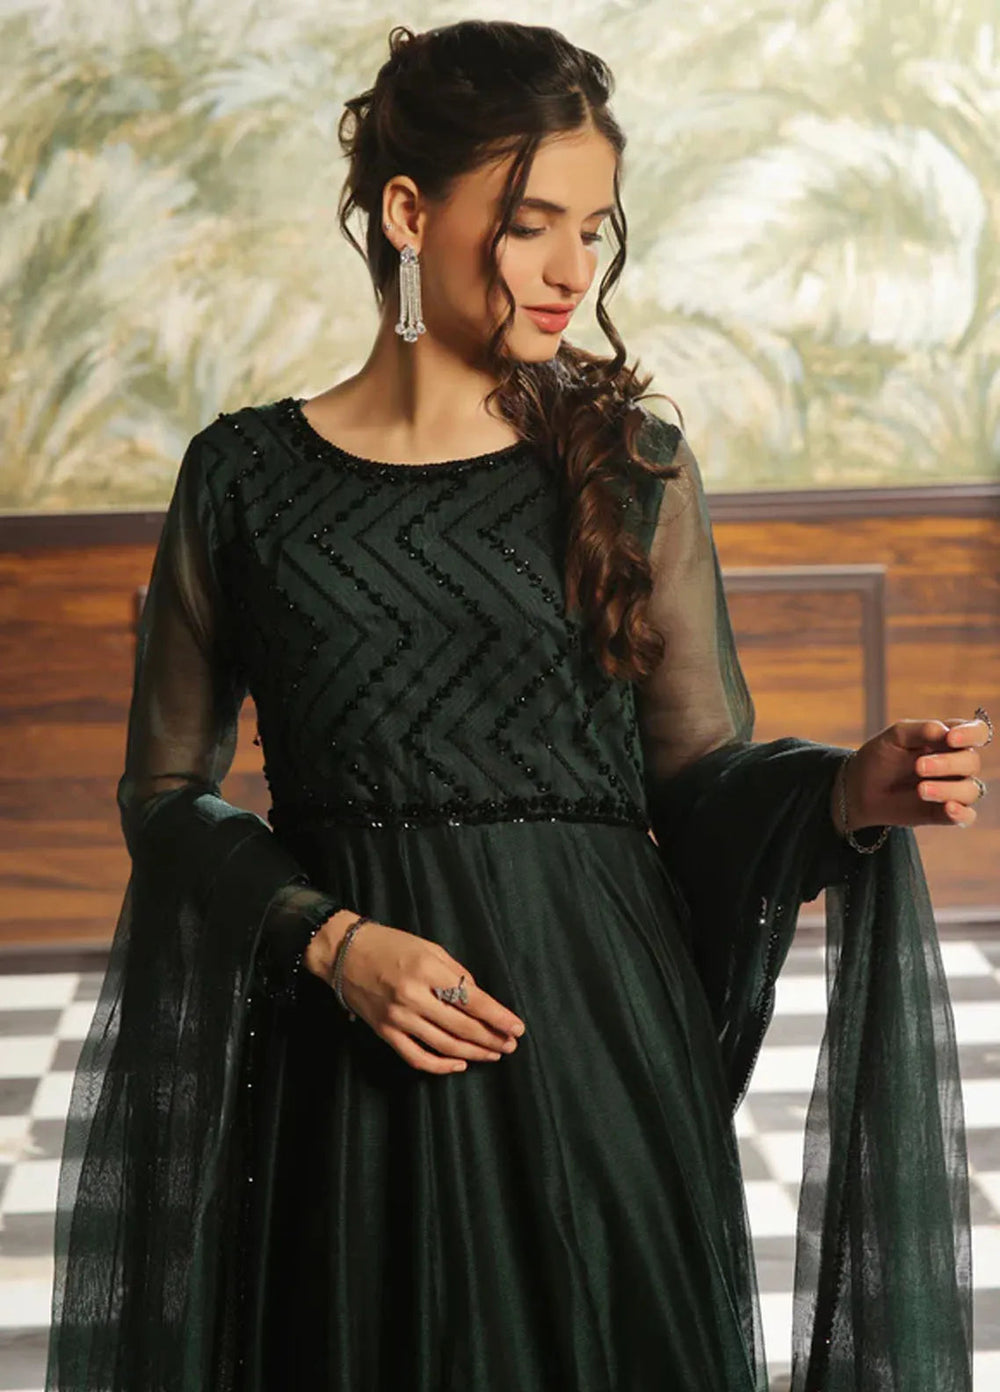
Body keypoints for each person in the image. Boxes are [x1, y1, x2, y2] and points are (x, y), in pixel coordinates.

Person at [45, 20, 988, 1392]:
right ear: (408, 213)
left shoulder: (629, 463)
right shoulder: (241, 479)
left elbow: (699, 773)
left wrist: (846, 790)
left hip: (595, 1039)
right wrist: (330, 943)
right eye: (532, 223)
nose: (571, 271)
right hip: (350, 1058)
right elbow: (164, 794)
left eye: (593, 231)